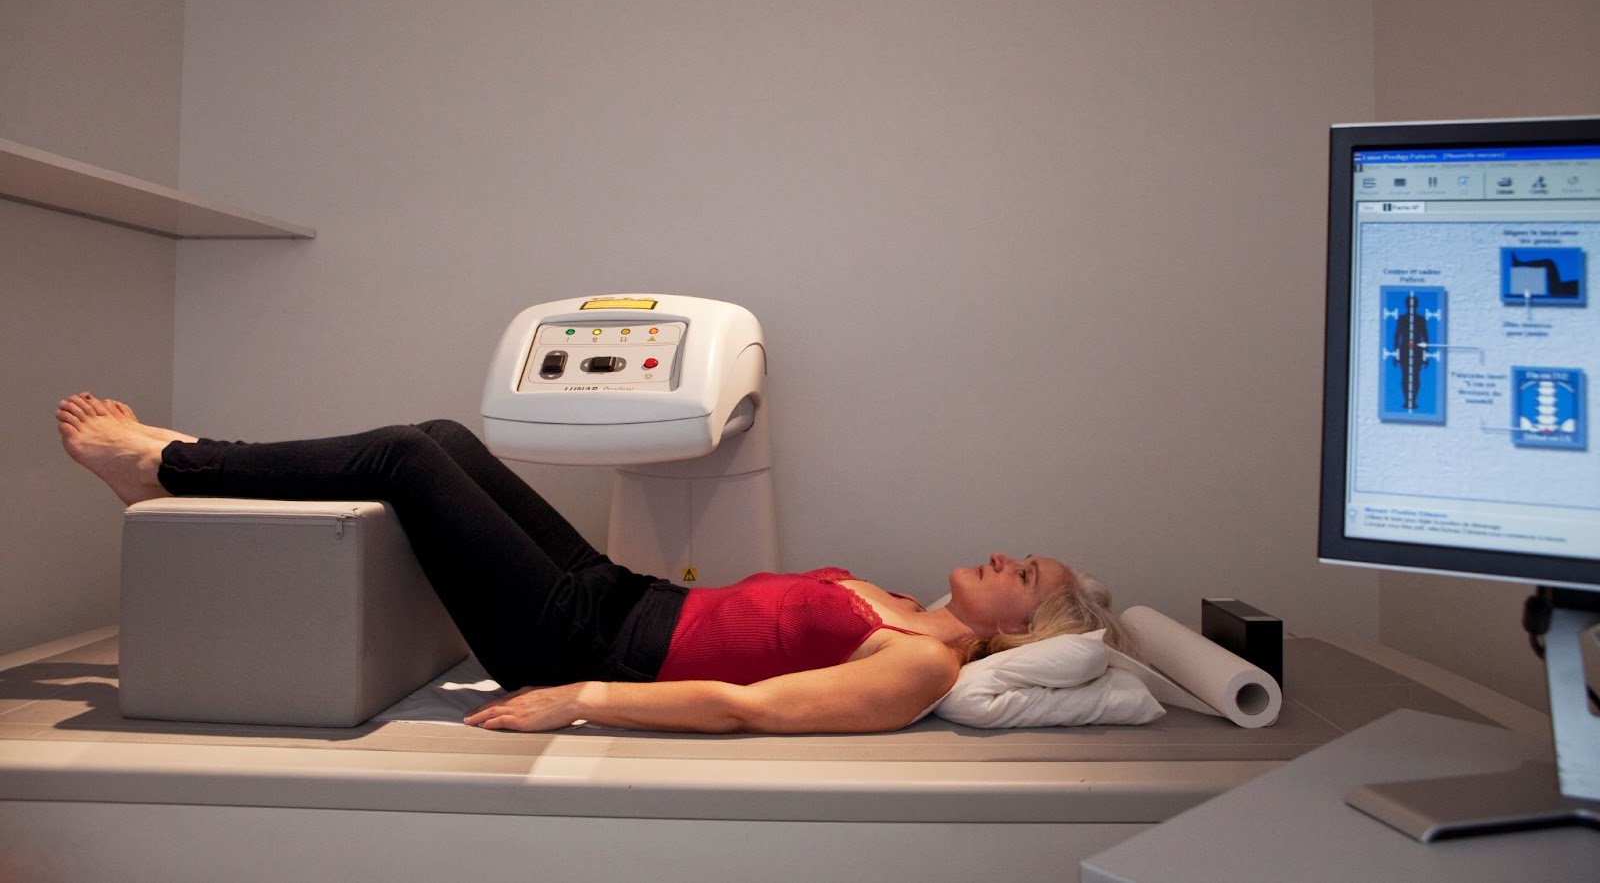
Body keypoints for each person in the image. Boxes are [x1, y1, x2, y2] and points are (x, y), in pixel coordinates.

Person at [55, 392, 1129, 735]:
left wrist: (575, 698)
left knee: (401, 461)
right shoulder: (900, 600)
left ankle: (168, 463)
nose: (1003, 556)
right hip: (617, 594)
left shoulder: (921, 666)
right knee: (442, 433)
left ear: (1014, 633)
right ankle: (163, 481)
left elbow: (746, 708)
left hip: (581, 638)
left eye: (1022, 573)